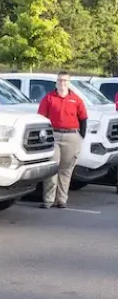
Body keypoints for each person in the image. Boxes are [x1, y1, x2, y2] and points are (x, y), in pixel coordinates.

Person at [38, 71, 88, 209]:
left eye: (65, 80)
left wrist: (80, 136)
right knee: (52, 167)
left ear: (69, 82)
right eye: (60, 80)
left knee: (66, 170)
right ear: (56, 82)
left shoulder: (76, 99)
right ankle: (48, 200)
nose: (62, 83)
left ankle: (61, 200)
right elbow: (41, 118)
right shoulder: (48, 98)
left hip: (71, 136)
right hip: (53, 135)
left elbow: (83, 118)